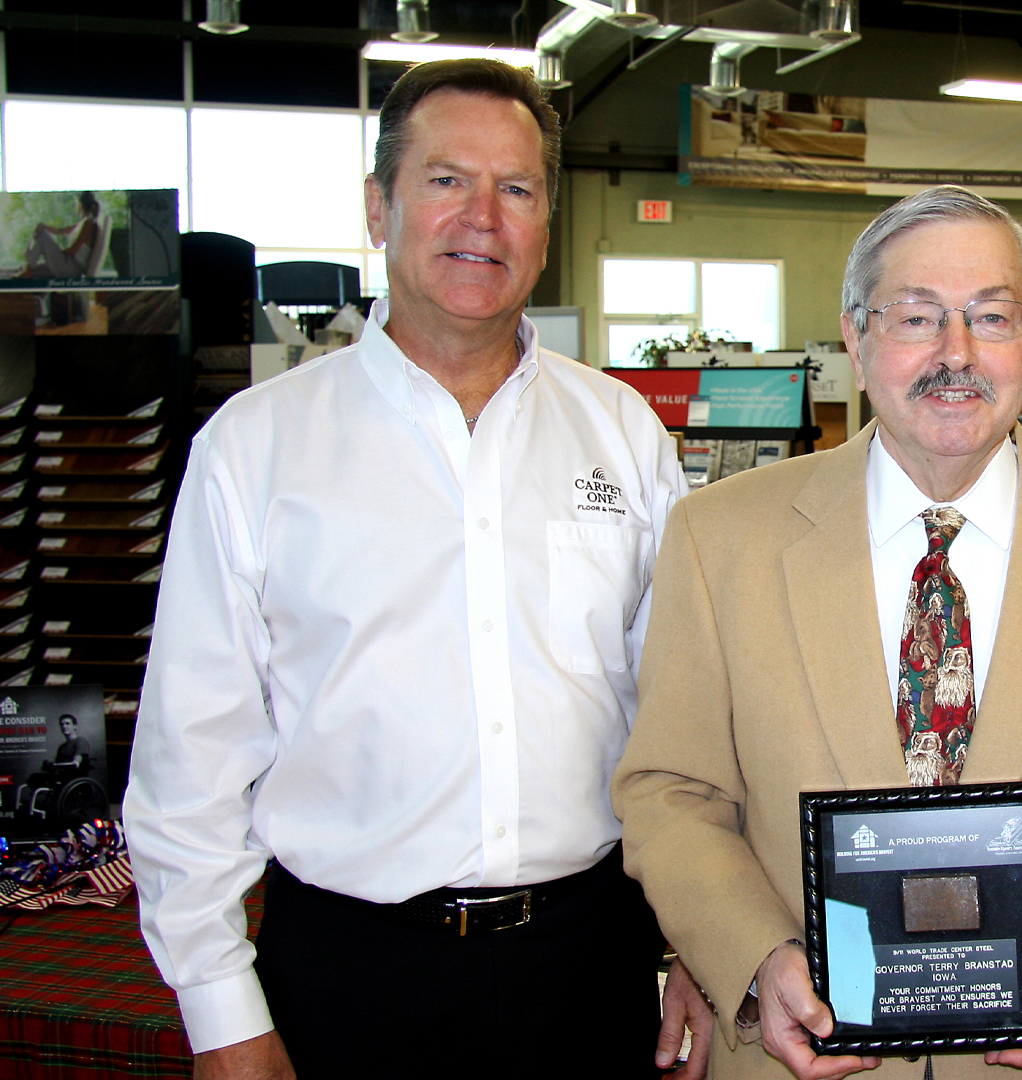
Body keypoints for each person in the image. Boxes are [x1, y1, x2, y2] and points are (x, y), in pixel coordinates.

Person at [124, 58, 688, 1079]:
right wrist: (221, 1014)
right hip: (346, 979)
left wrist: (694, 940)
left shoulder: (623, 435)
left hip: (589, 967)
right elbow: (187, 761)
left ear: (547, 224)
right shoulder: (256, 450)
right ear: (378, 208)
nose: (484, 216)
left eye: (516, 189)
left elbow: (682, 719)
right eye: (445, 180)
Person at [614, 184, 1022, 1080]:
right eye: (917, 318)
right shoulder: (721, 542)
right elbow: (671, 789)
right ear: (856, 340)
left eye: (991, 316)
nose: (957, 353)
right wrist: (750, 960)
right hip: (799, 1058)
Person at [18, 191, 104, 278]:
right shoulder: (82, 223)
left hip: (71, 268)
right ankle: (27, 271)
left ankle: (29, 266)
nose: (75, 206)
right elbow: (61, 231)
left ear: (81, 205)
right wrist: (43, 226)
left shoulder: (88, 224)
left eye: (76, 203)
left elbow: (72, 251)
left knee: (42, 236)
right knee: (34, 270)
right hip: (68, 266)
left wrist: (55, 253)